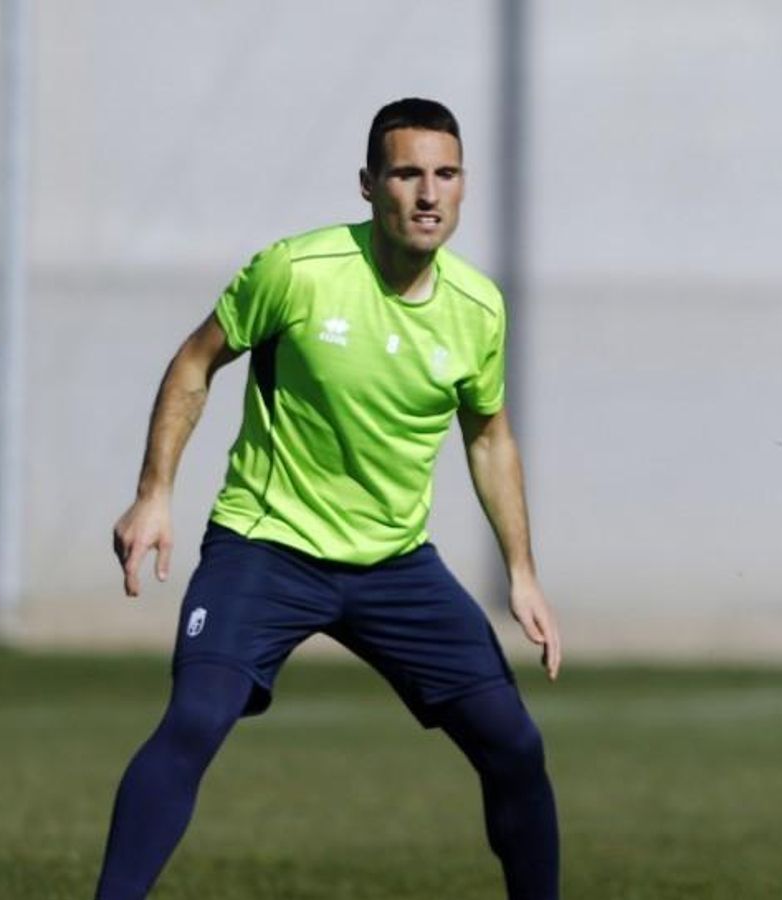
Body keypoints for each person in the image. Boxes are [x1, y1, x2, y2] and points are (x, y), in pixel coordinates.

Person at [95, 98, 562, 900]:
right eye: (407, 173)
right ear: (368, 185)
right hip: (266, 546)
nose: (428, 193)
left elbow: (489, 437)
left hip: (395, 565)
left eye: (445, 174)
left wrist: (521, 571)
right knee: (196, 720)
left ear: (462, 186)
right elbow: (195, 363)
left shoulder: (477, 309)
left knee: (514, 745)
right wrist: (154, 493)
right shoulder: (296, 272)